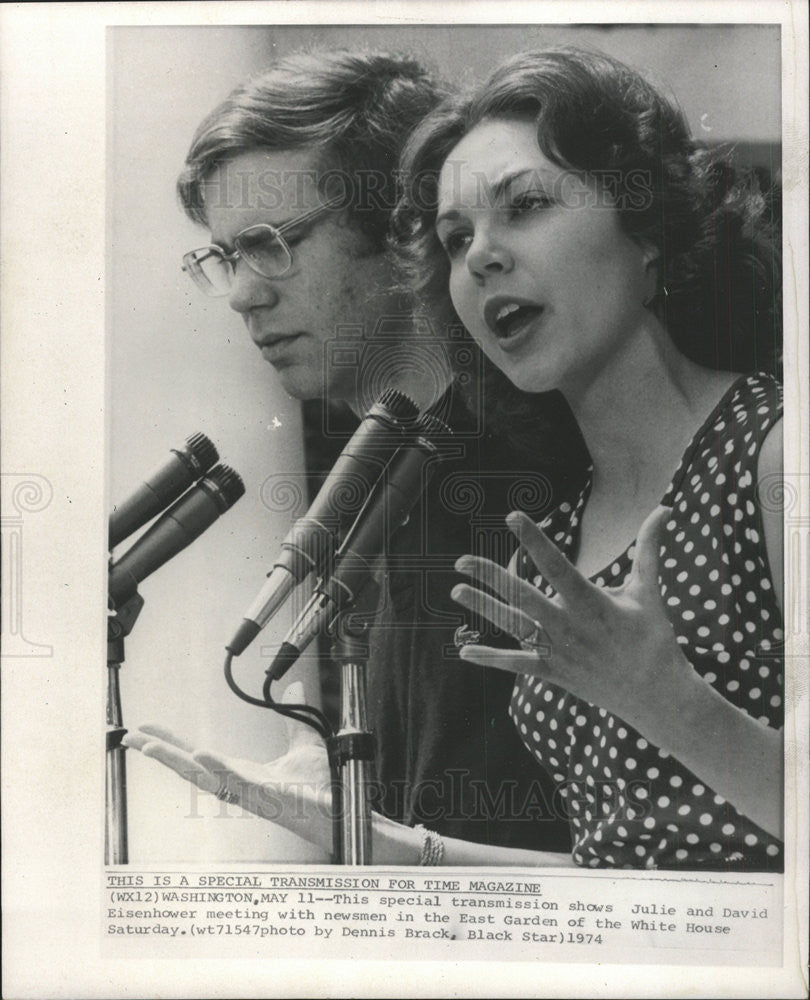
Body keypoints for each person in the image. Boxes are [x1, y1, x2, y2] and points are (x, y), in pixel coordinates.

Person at [133, 46, 783, 872]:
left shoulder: (770, 453)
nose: (478, 256)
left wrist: (669, 704)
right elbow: (614, 873)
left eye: (527, 206)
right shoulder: (566, 519)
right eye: (454, 237)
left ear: (645, 226)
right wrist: (381, 843)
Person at [122, 48, 574, 856]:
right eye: (224, 257)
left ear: (402, 226)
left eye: (270, 242)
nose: (243, 292)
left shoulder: (510, 482)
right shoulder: (396, 477)